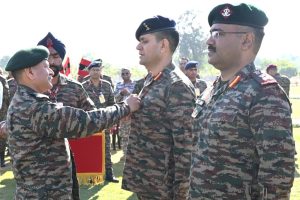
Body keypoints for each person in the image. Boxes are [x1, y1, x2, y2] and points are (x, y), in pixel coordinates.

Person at [4, 46, 140, 199]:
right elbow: (86, 122)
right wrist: (125, 107)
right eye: (46, 66)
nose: (51, 72)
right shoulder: (34, 106)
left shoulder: (25, 100)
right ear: (30, 72)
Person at [190, 3, 295, 199]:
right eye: (211, 33)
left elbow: (277, 178)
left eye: (218, 34)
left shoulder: (264, 93)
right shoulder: (214, 89)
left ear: (246, 41)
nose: (208, 41)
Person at [122, 15, 196, 200]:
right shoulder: (151, 80)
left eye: (144, 41)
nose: (138, 47)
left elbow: (186, 149)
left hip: (164, 189)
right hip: (147, 182)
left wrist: (181, 194)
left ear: (163, 45)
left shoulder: (176, 85)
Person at [82, 60, 119, 183]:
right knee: (91, 148)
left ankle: (109, 174)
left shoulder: (107, 85)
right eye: (93, 70)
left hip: (105, 121)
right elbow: (80, 104)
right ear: (89, 71)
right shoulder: (83, 85)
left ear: (101, 71)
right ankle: (92, 176)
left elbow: (112, 103)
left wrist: (113, 120)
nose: (96, 72)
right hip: (90, 121)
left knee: (106, 148)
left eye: (98, 70)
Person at [114, 68, 135, 159]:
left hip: (134, 113)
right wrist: (121, 94)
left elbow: (138, 97)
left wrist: (129, 93)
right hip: (123, 113)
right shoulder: (118, 85)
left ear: (130, 74)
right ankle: (125, 153)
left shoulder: (136, 84)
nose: (125, 75)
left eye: (127, 73)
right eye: (123, 74)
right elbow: (114, 99)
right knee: (123, 133)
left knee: (134, 134)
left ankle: (133, 154)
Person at [0, 74, 9, 167]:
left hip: (2, 112)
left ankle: (1, 160)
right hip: (3, 111)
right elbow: (7, 95)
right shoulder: (2, 80)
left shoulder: (2, 80)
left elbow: (6, 96)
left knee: (2, 136)